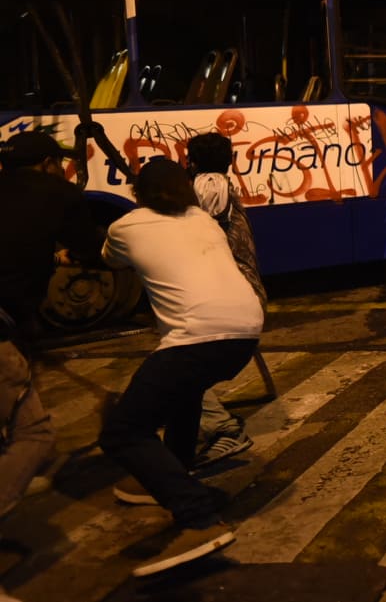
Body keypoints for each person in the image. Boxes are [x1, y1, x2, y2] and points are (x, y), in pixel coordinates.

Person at [99, 158, 263, 577]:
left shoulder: (126, 226)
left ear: (138, 192)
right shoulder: (204, 220)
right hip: (246, 331)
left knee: (122, 432)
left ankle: (198, 517)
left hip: (197, 336)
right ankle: (175, 471)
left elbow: (111, 260)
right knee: (184, 393)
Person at [0, 132, 102, 531]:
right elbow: (89, 248)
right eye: (57, 162)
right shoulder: (58, 193)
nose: (61, 168)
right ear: (46, 163)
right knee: (34, 436)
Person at [185, 132, 263, 467]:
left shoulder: (209, 183)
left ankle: (222, 429)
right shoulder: (221, 182)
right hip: (232, 291)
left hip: (228, 294)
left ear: (192, 161)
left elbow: (208, 222)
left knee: (180, 365)